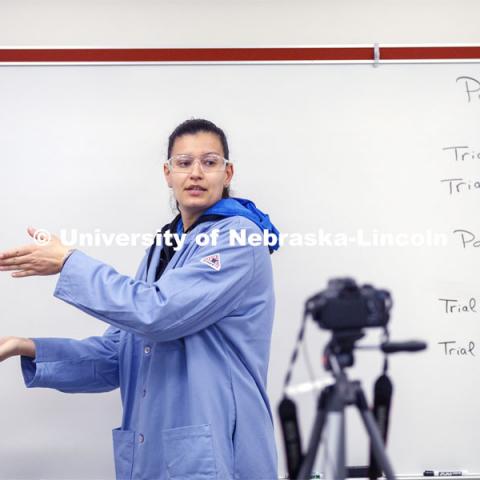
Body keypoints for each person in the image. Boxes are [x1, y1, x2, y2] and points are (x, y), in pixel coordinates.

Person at [0, 118, 280, 480]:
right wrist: (23, 346)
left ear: (228, 173)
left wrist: (69, 263)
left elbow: (157, 312)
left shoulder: (239, 239)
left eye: (209, 162)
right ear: (167, 173)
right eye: (183, 163)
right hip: (158, 457)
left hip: (215, 455)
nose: (196, 173)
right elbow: (118, 356)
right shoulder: (163, 249)